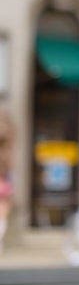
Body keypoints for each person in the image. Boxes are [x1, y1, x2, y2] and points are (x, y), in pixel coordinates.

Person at [0, 109, 15, 254]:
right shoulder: (6, 151)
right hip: (4, 182)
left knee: (3, 212)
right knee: (3, 213)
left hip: (4, 181)